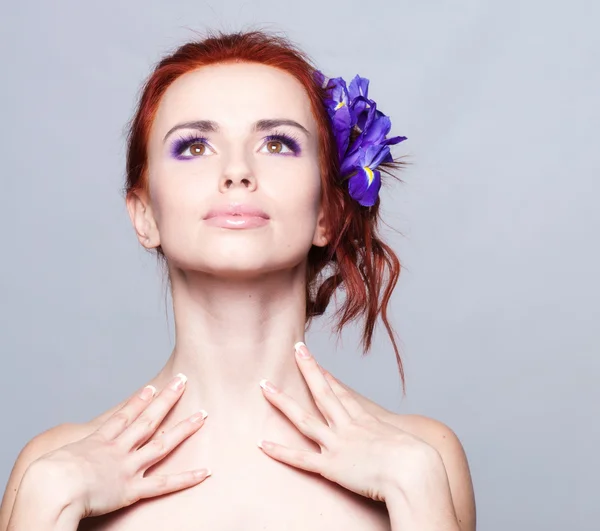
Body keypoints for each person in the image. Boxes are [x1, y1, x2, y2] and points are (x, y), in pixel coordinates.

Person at [0, 30, 476, 531]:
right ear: (145, 215)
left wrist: (413, 488)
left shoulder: (424, 460)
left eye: (277, 143)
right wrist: (45, 505)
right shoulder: (51, 471)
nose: (236, 172)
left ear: (327, 213)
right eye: (194, 145)